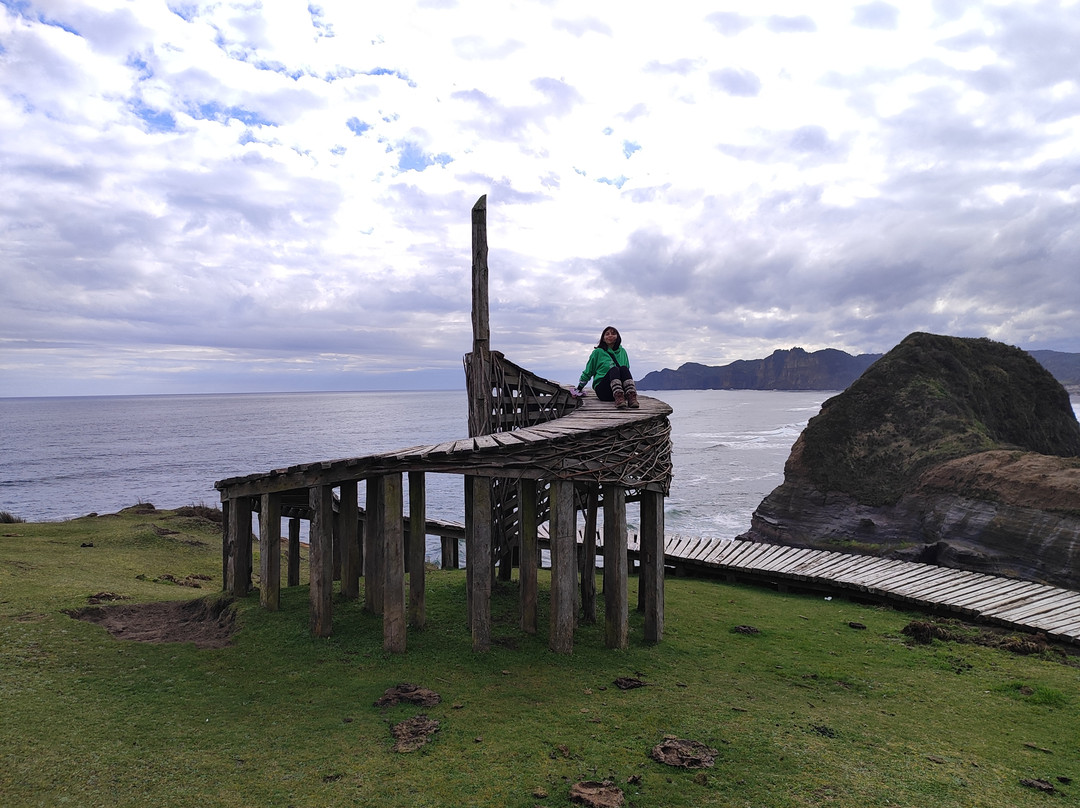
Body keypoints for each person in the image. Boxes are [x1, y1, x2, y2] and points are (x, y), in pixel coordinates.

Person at [575, 325, 639, 409]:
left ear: (617, 336)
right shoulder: (597, 352)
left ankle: (631, 397)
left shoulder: (622, 352)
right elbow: (588, 372)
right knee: (614, 369)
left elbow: (626, 371)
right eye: (607, 334)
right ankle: (618, 397)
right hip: (604, 391)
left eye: (613, 333)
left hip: (622, 391)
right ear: (603, 338)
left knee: (623, 368)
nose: (610, 335)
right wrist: (579, 388)